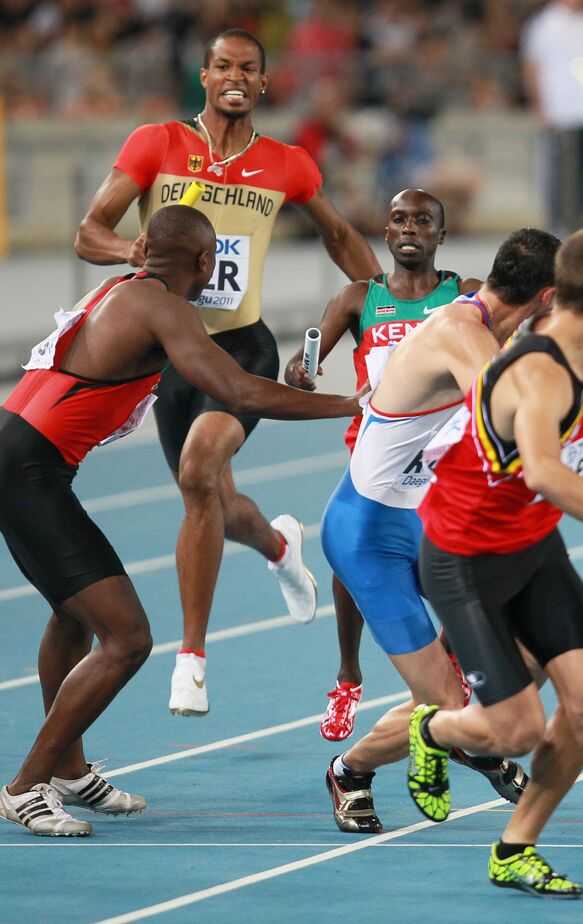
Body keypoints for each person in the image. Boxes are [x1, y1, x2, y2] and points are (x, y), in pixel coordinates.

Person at [0, 205, 362, 837]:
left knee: (72, 615)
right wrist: (358, 405)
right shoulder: (165, 307)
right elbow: (243, 391)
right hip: (27, 472)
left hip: (22, 459)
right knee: (129, 638)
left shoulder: (122, 289)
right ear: (205, 262)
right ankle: (25, 786)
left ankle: (67, 771)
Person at [74, 28, 382, 718]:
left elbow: (338, 237)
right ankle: (278, 543)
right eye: (222, 67)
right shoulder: (156, 143)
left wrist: (387, 307)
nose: (234, 77)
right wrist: (141, 250)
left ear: (264, 84)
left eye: (248, 68)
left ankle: (191, 658)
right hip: (169, 350)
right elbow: (88, 231)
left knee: (198, 470)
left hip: (242, 347)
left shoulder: (287, 163)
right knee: (209, 497)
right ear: (205, 77)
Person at [404, 230, 583, 898]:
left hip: (533, 551)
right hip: (465, 560)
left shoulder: (579, 332)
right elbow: (541, 470)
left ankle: (515, 847)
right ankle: (435, 726)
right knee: (516, 731)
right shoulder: (537, 371)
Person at [319, 227, 563, 832]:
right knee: (449, 705)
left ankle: (471, 740)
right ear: (549, 297)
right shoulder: (461, 332)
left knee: (536, 651)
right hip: (368, 536)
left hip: (431, 527)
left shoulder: (500, 326)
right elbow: (512, 413)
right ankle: (350, 770)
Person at [283, 188, 481, 742]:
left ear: (441, 235)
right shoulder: (355, 298)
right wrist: (301, 367)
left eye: (423, 220)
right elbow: (305, 356)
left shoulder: (464, 294)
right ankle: (348, 676)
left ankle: (449, 658)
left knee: (462, 570)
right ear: (386, 234)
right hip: (377, 453)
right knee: (356, 562)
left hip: (445, 460)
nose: (410, 228)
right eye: (399, 220)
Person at [522, 0, 583, 233]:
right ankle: (558, 227)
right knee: (560, 175)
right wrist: (540, 106)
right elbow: (532, 65)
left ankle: (579, 224)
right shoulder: (545, 24)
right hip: (560, 111)